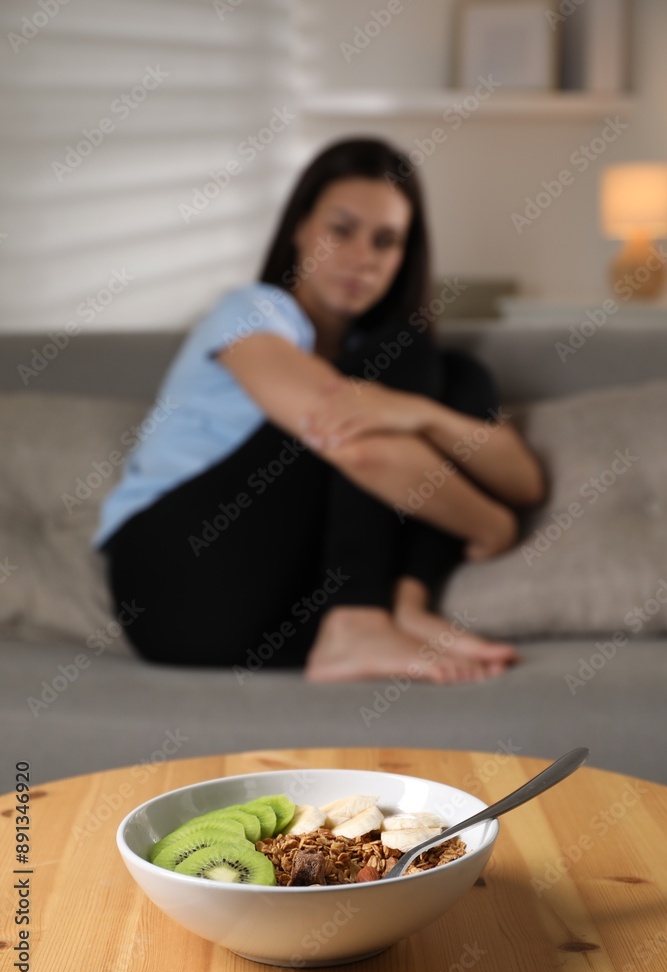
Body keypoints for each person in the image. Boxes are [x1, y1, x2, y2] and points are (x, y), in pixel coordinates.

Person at [93, 137, 545, 683]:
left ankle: (402, 605)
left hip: (277, 613)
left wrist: (422, 417)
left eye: (386, 241)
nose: (362, 258)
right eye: (341, 230)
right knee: (403, 355)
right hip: (176, 577)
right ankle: (361, 614)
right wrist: (492, 523)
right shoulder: (252, 312)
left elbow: (525, 483)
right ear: (301, 229)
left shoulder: (384, 369)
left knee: (458, 376)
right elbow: (359, 451)